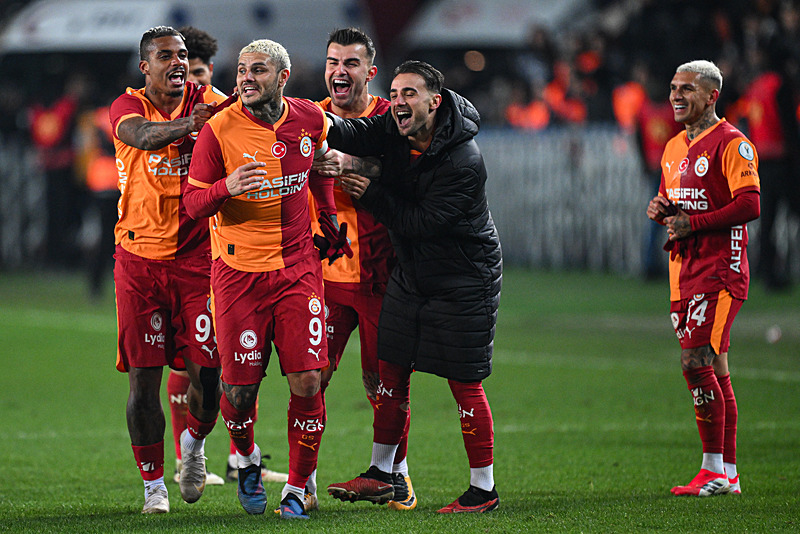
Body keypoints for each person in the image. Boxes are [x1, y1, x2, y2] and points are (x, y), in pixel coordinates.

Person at [319, 60, 503, 513]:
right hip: (412, 273)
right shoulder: (395, 128)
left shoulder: (463, 159)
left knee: (465, 382)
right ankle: (382, 474)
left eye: (409, 94)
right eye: (395, 94)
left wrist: (370, 193)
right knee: (391, 371)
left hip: (463, 277)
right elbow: (355, 132)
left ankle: (483, 490)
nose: (398, 102)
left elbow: (420, 223)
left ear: (434, 102)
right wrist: (307, 117)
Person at [183, 38, 340, 520]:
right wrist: (225, 187)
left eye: (258, 70)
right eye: (242, 70)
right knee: (238, 394)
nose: (246, 78)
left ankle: (296, 489)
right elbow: (192, 204)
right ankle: (247, 459)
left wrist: (328, 215)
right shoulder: (219, 130)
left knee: (309, 381)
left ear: (283, 77)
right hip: (238, 276)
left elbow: (320, 167)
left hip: (297, 270)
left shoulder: (310, 118)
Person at [109, 25, 229, 514]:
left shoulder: (212, 102)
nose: (177, 62)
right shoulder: (127, 105)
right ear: (145, 67)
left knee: (210, 375)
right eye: (165, 56)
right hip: (139, 263)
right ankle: (153, 486)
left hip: (199, 262)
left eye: (181, 55)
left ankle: (194, 446)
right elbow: (141, 136)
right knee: (144, 380)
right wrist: (189, 127)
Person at [166, 25, 289, 488]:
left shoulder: (229, 109)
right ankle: (187, 455)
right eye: (185, 76)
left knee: (238, 362)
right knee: (193, 360)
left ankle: (240, 456)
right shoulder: (179, 118)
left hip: (223, 252)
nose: (193, 86)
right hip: (183, 249)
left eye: (200, 75)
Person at [306, 27, 415, 512]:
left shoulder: (392, 119)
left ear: (370, 72)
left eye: (350, 63)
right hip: (323, 278)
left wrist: (351, 164)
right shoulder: (309, 118)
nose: (339, 71)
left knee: (381, 384)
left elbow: (408, 173)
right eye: (333, 62)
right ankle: (302, 482)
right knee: (311, 379)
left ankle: (395, 474)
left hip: (380, 275)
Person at [646, 60, 760, 497]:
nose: (676, 95)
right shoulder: (674, 146)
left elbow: (749, 205)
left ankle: (712, 468)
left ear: (712, 96)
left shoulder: (733, 143)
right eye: (673, 87)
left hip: (720, 270)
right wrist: (662, 209)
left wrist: (693, 224)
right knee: (716, 368)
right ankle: (727, 473)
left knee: (695, 363)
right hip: (684, 270)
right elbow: (674, 200)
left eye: (687, 89)